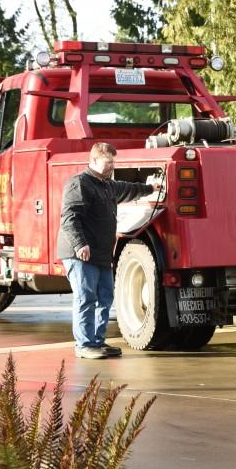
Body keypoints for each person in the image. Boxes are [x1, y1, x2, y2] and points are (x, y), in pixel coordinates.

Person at [57, 142, 162, 359]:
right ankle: (84, 345)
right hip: (81, 254)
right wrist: (79, 244)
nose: (112, 166)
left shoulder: (107, 185)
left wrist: (152, 188)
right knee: (86, 297)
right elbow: (69, 218)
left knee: (105, 296)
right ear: (94, 160)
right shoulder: (79, 184)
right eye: (108, 162)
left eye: (114, 162)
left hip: (102, 254)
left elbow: (129, 189)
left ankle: (97, 342)